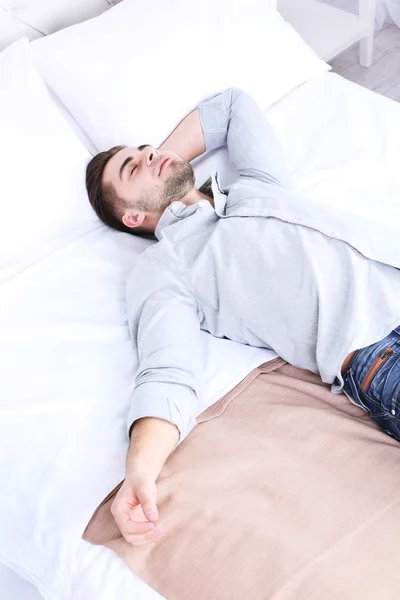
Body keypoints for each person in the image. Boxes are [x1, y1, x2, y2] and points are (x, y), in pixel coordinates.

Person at [86, 88, 400, 548]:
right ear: (132, 217)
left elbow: (232, 107)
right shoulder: (167, 268)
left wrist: (160, 160)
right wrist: (141, 470)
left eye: (146, 148)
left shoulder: (256, 187)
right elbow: (167, 373)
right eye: (132, 167)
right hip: (381, 353)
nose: (150, 153)